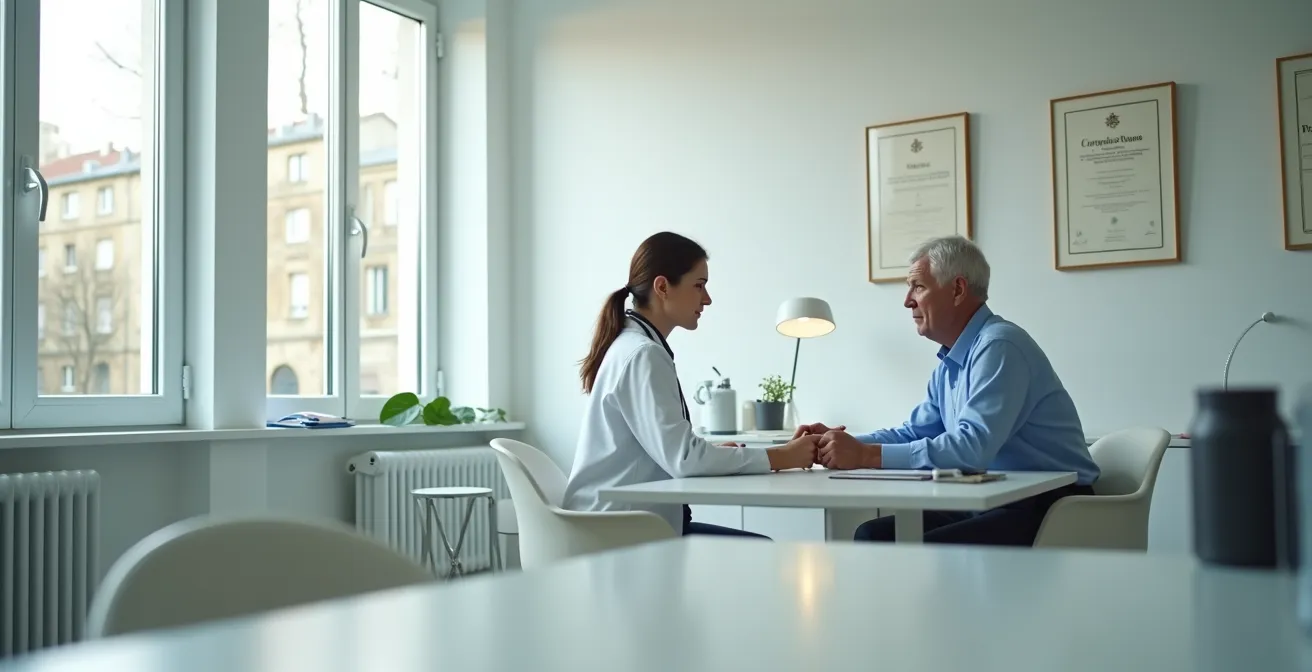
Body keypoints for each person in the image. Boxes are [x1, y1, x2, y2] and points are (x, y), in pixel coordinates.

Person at [798, 235, 1100, 545]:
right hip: (997, 498)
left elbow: (971, 450)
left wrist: (864, 454)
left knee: (914, 546)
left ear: (956, 290)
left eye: (918, 286)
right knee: (873, 534)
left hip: (1054, 506)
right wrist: (833, 445)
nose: (907, 301)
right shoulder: (951, 362)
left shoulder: (1000, 346)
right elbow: (912, 433)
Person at [562, 231, 819, 537]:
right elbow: (684, 459)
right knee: (758, 551)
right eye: (699, 286)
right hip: (618, 533)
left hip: (617, 524)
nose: (707, 299)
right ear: (662, 287)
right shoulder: (643, 354)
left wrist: (712, 455)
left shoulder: (634, 345)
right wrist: (783, 457)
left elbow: (673, 451)